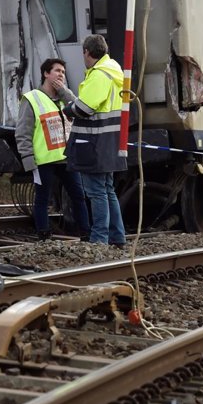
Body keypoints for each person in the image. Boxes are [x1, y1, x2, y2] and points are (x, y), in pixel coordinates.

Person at [14, 57, 90, 240]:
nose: (61, 75)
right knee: (42, 198)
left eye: (63, 72)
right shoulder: (32, 98)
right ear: (46, 74)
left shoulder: (65, 98)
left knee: (79, 196)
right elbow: (22, 131)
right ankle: (44, 235)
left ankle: (87, 234)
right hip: (43, 160)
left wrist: (64, 91)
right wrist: (27, 158)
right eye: (57, 71)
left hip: (67, 158)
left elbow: (80, 111)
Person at [62, 35, 128, 247]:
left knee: (97, 191)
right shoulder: (114, 70)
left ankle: (99, 239)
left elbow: (84, 108)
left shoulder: (99, 75)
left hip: (94, 143)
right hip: (109, 142)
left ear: (87, 53)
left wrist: (68, 109)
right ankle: (117, 237)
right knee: (107, 190)